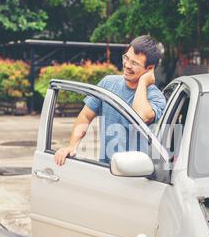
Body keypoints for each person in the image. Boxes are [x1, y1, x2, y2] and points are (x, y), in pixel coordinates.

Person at [54, 35, 167, 165]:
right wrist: (72, 145)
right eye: (126, 58)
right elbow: (85, 116)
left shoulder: (156, 97)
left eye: (135, 63)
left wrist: (142, 82)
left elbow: (140, 116)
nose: (127, 65)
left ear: (149, 69)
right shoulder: (108, 83)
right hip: (107, 169)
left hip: (139, 174)